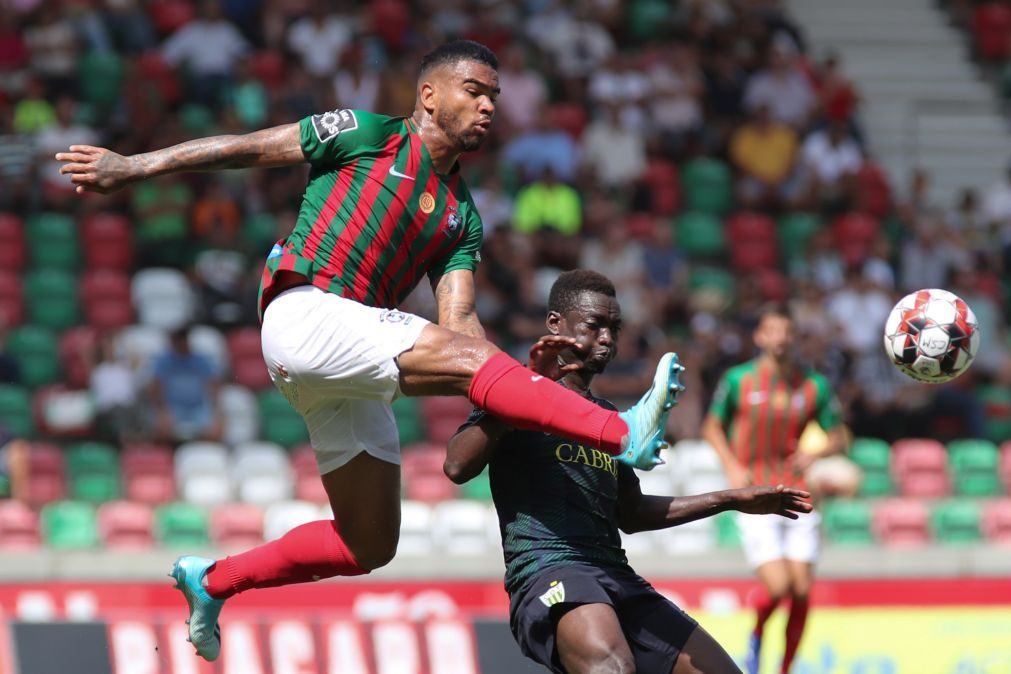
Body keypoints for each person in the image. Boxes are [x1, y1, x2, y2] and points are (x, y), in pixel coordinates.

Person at [56, 40, 680, 661]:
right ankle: (619, 431)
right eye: (475, 91)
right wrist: (135, 167)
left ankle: (214, 580)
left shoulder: (461, 216)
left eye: (494, 95)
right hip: (305, 313)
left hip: (340, 360)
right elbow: (247, 148)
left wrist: (517, 380)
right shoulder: (364, 133)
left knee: (369, 542)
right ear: (429, 96)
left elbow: (460, 323)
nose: (490, 105)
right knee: (483, 370)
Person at [446, 270, 813, 674]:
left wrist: (728, 500)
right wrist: (523, 396)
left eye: (614, 328)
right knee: (613, 669)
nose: (607, 338)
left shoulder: (605, 419)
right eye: (594, 325)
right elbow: (458, 465)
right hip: (550, 571)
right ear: (555, 324)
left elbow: (632, 513)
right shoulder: (515, 390)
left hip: (615, 577)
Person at [701, 305, 846, 674]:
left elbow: (840, 434)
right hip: (757, 495)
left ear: (794, 337)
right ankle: (757, 634)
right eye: (773, 331)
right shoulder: (738, 380)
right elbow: (712, 427)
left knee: (801, 592)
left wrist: (818, 452)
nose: (780, 338)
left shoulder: (813, 384)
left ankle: (784, 668)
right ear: (760, 336)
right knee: (779, 586)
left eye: (786, 331)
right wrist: (733, 465)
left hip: (798, 493)